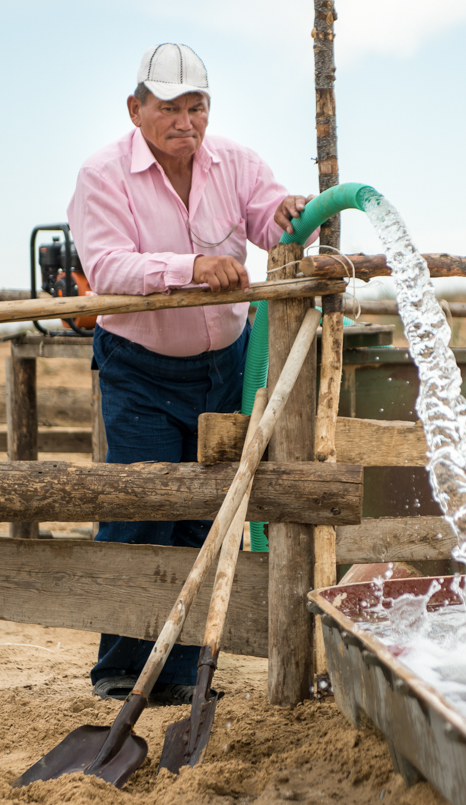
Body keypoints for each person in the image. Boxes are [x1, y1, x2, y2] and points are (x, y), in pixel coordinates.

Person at [67, 43, 312, 703]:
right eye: (169, 107)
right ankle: (121, 666)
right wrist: (190, 266)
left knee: (203, 513)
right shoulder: (103, 176)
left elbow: (272, 225)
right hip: (140, 370)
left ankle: (180, 674)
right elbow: (110, 269)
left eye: (195, 106)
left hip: (223, 368)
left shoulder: (235, 164)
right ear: (135, 109)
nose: (185, 120)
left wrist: (292, 215)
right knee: (143, 506)